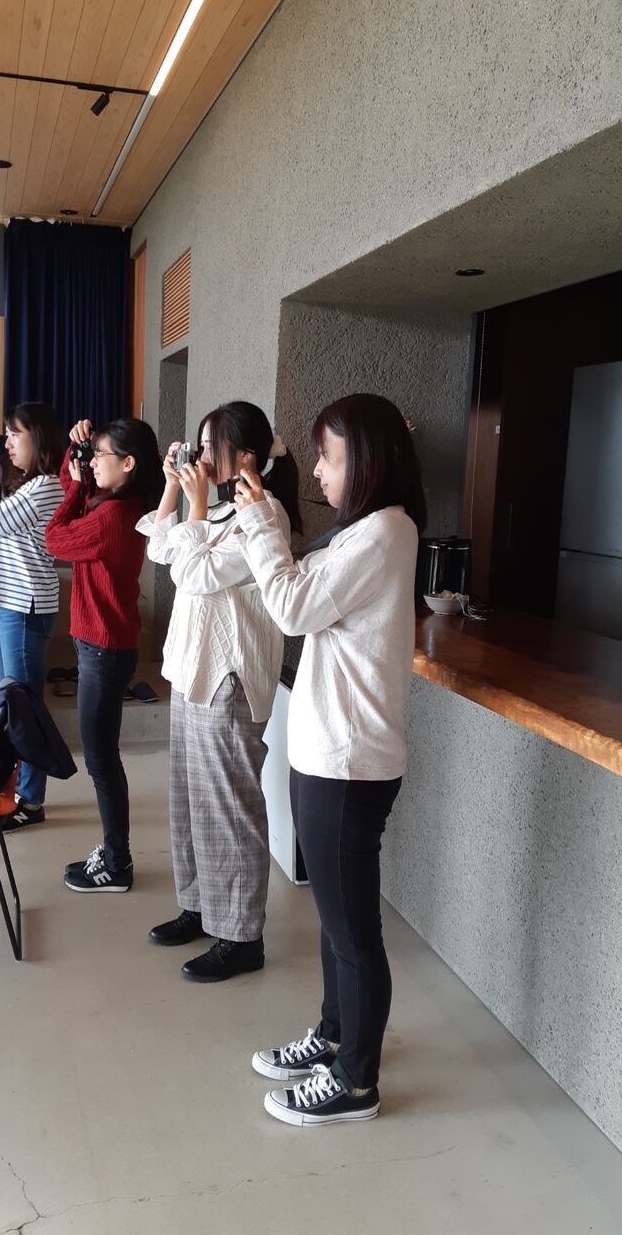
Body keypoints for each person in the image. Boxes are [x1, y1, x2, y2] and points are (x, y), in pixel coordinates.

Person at [233, 392, 426, 1125]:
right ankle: (336, 1034)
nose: (318, 470)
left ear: (368, 461)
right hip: (330, 755)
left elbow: (290, 606)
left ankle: (355, 1082)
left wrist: (260, 523)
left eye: (328, 456)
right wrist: (269, 513)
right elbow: (304, 587)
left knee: (353, 932)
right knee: (335, 917)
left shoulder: (384, 533)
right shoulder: (364, 532)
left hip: (347, 763)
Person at [138, 401, 301, 982]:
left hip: (229, 677)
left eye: (211, 447)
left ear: (246, 457)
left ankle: (241, 936)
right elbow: (160, 549)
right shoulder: (221, 508)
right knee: (189, 800)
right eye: (200, 445)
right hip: (192, 671)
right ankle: (201, 907)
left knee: (229, 806)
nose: (201, 456)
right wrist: (172, 489)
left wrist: (198, 506)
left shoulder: (265, 513)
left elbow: (195, 574)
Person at [45, 416, 163, 893]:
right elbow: (75, 491)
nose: (92, 463)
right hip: (104, 646)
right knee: (103, 759)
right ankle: (115, 856)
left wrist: (76, 486)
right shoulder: (120, 505)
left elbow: (56, 538)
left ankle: (117, 863)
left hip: (103, 650)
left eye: (100, 456)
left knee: (101, 762)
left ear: (129, 463)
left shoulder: (112, 518)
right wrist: (74, 458)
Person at [0, 402, 66, 829]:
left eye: (14, 434)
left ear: (38, 438)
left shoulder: (45, 486)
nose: (6, 443)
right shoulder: (21, 483)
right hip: (3, 601)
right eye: (5, 434)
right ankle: (18, 784)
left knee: (25, 708)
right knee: (11, 702)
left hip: (25, 607)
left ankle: (32, 799)